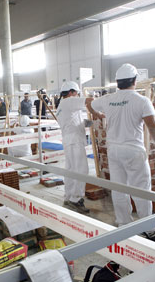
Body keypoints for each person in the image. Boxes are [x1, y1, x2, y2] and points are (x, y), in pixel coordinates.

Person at [88, 63, 155, 240]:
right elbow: (153, 127)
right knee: (141, 190)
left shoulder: (108, 99)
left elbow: (89, 102)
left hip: (114, 151)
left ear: (117, 82)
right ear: (134, 80)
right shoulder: (141, 100)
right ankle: (148, 229)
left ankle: (124, 224)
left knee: (119, 188)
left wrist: (97, 115)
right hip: (133, 151)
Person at [56, 81, 93, 214]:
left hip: (69, 140)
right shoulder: (69, 101)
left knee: (71, 170)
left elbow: (77, 123)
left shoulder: (62, 105)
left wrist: (93, 122)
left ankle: (69, 196)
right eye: (77, 93)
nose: (77, 95)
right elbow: (90, 101)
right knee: (82, 170)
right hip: (75, 141)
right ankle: (76, 199)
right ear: (71, 92)